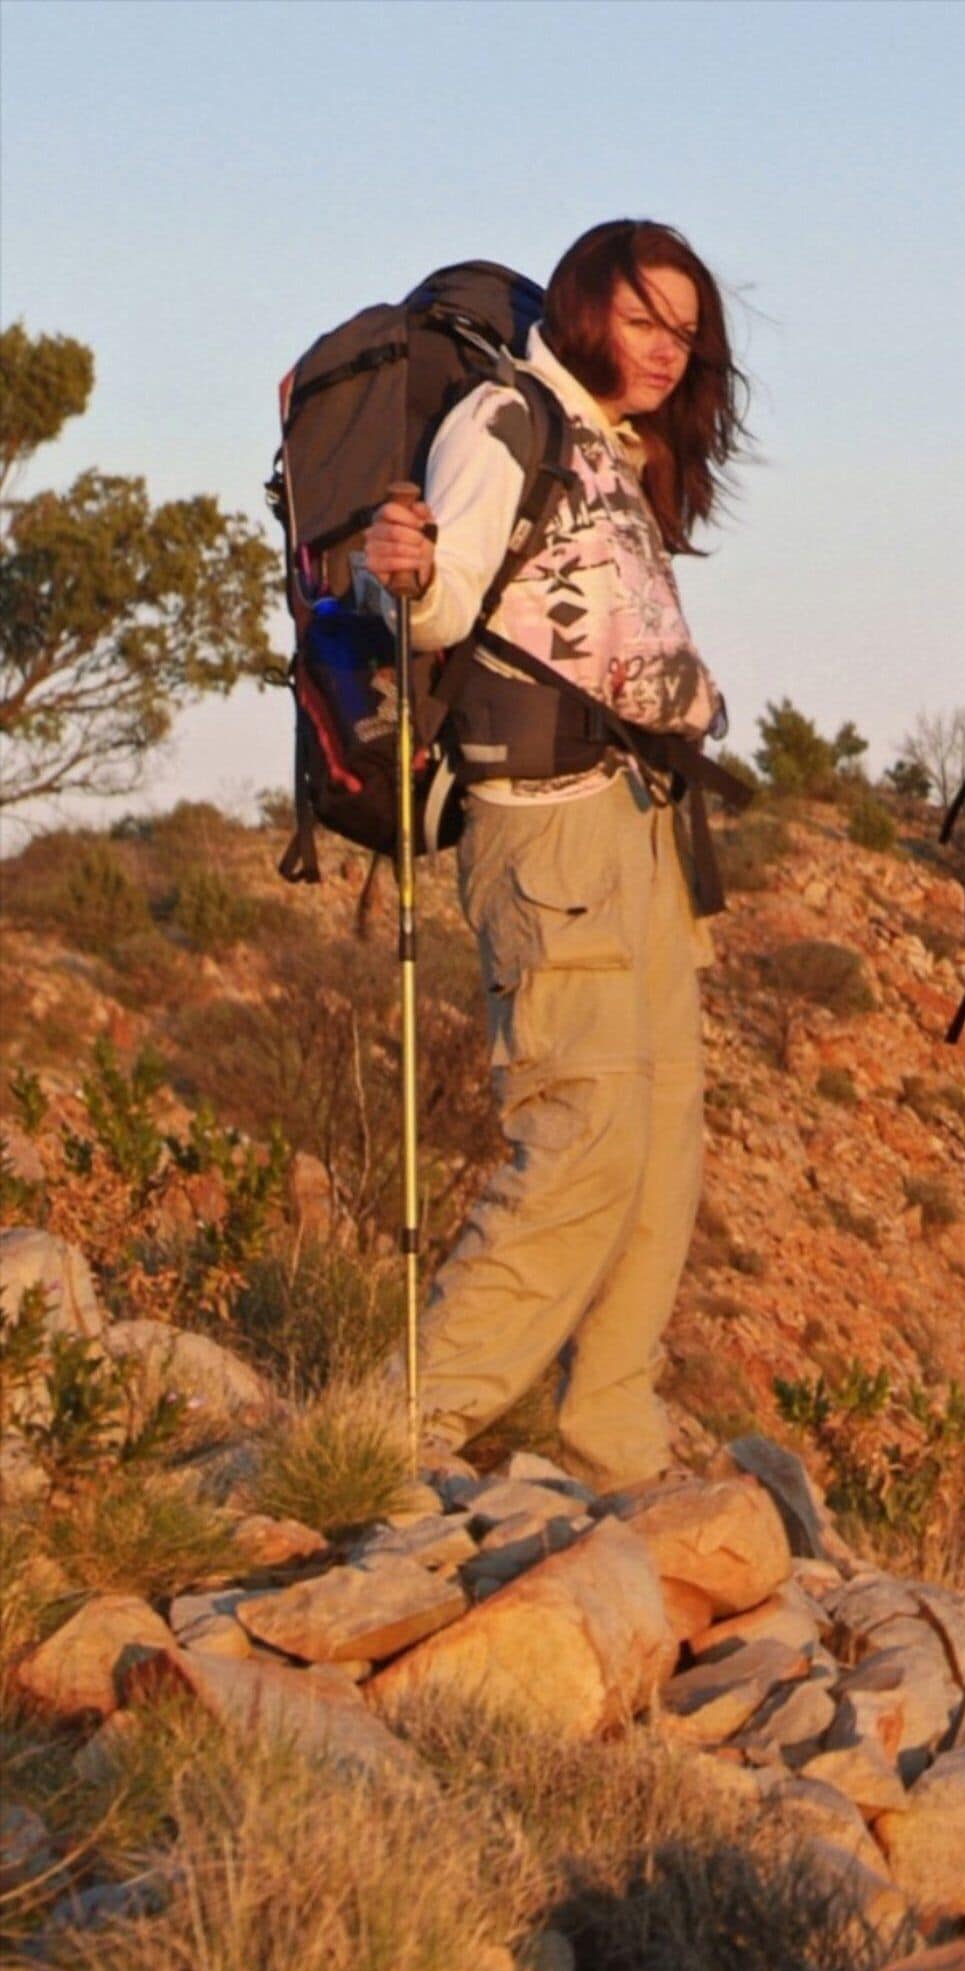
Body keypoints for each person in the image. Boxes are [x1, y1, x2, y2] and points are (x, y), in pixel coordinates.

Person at [358, 219, 748, 1493]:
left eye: (685, 331)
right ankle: (402, 1427)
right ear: (582, 310)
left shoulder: (610, 449)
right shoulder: (506, 418)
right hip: (549, 828)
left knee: (664, 1145)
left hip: (638, 822)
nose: (667, 350)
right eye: (644, 320)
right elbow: (440, 602)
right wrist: (409, 573)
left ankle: (614, 1440)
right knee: (583, 1134)